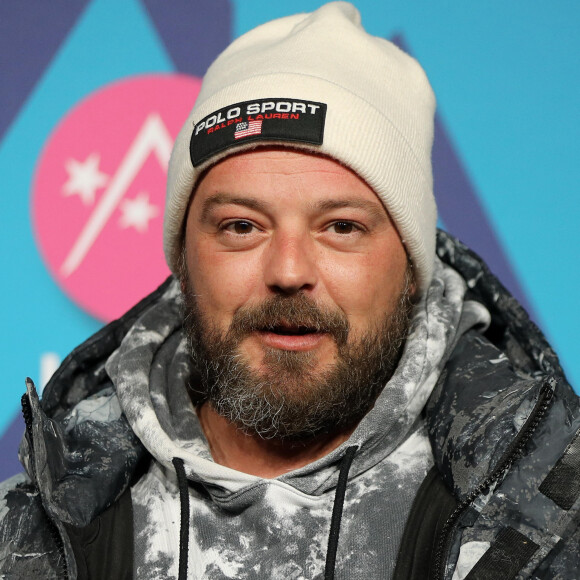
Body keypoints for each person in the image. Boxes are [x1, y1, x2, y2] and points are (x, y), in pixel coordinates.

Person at [1, 3, 578, 579]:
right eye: (241, 226)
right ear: (183, 258)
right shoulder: (23, 534)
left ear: (410, 266)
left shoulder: (553, 523)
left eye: (341, 227)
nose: (288, 269)